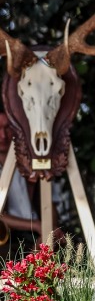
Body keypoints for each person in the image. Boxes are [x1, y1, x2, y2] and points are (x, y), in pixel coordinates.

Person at [0, 107, 41, 258]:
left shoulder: (30, 162)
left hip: (36, 234)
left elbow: (49, 203)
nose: (3, 135)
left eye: (7, 128)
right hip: (9, 240)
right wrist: (36, 225)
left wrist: (48, 231)